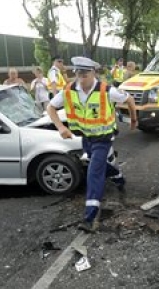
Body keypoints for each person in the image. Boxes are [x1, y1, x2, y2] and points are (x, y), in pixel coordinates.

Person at [47, 56, 137, 233]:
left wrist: (133, 119)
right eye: (78, 73)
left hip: (104, 139)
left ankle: (89, 218)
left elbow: (130, 100)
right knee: (99, 165)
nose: (81, 77)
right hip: (86, 138)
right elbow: (50, 108)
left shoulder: (106, 90)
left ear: (93, 73)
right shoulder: (69, 90)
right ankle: (118, 175)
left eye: (85, 73)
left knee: (93, 173)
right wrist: (60, 127)